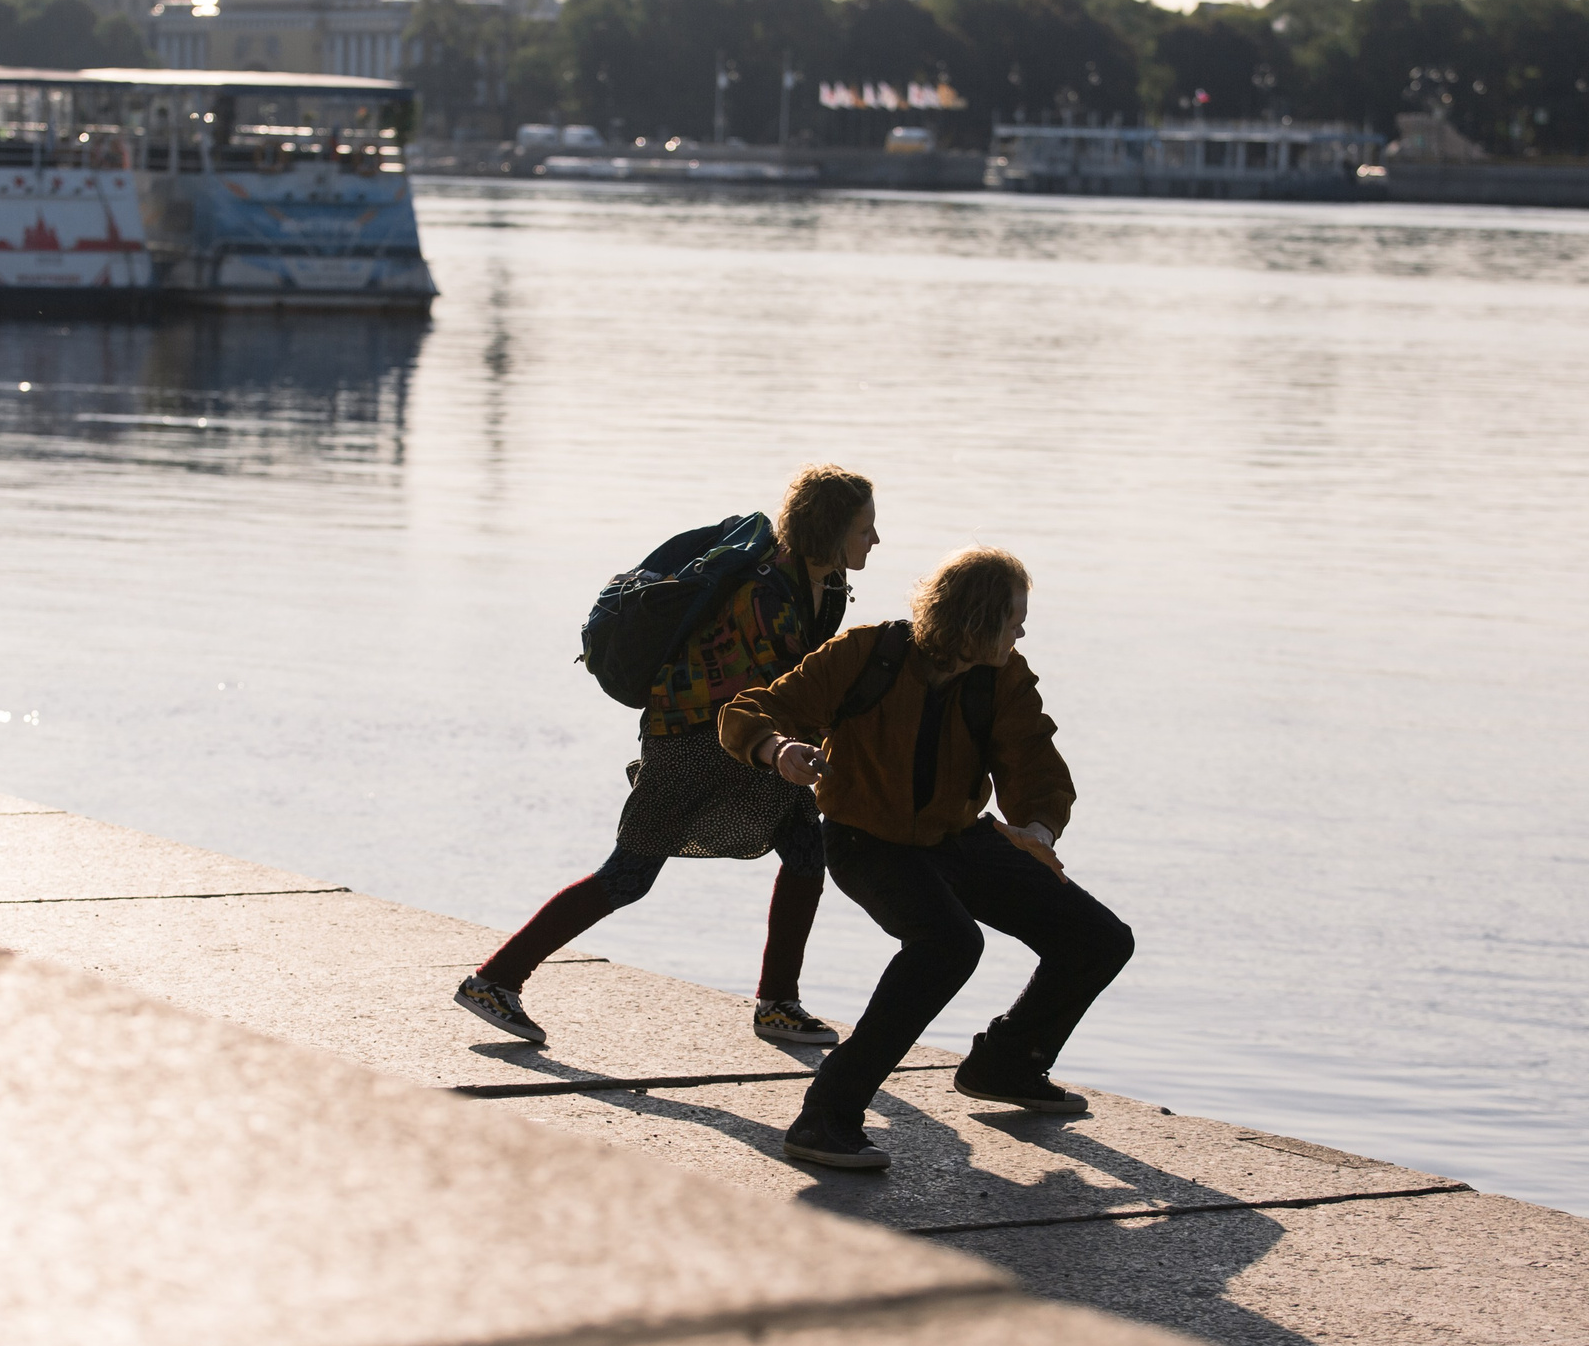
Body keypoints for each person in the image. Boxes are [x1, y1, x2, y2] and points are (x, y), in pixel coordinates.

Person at [718, 546, 1133, 1170]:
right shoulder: (866, 655)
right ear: (978, 619)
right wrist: (778, 750)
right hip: (866, 842)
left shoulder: (1002, 675)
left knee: (1099, 938)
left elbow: (1035, 764)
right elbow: (751, 712)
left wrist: (1041, 831)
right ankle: (824, 1118)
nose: (1022, 629)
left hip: (959, 839)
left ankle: (1007, 1063)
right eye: (1015, 616)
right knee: (947, 945)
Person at [454, 464, 883, 1048]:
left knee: (808, 848)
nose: (875, 541)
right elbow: (795, 688)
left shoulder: (823, 586)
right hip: (688, 740)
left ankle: (778, 1002)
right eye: (866, 529)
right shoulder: (767, 595)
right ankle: (495, 979)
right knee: (629, 876)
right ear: (833, 531)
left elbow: (805, 689)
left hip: (745, 739)